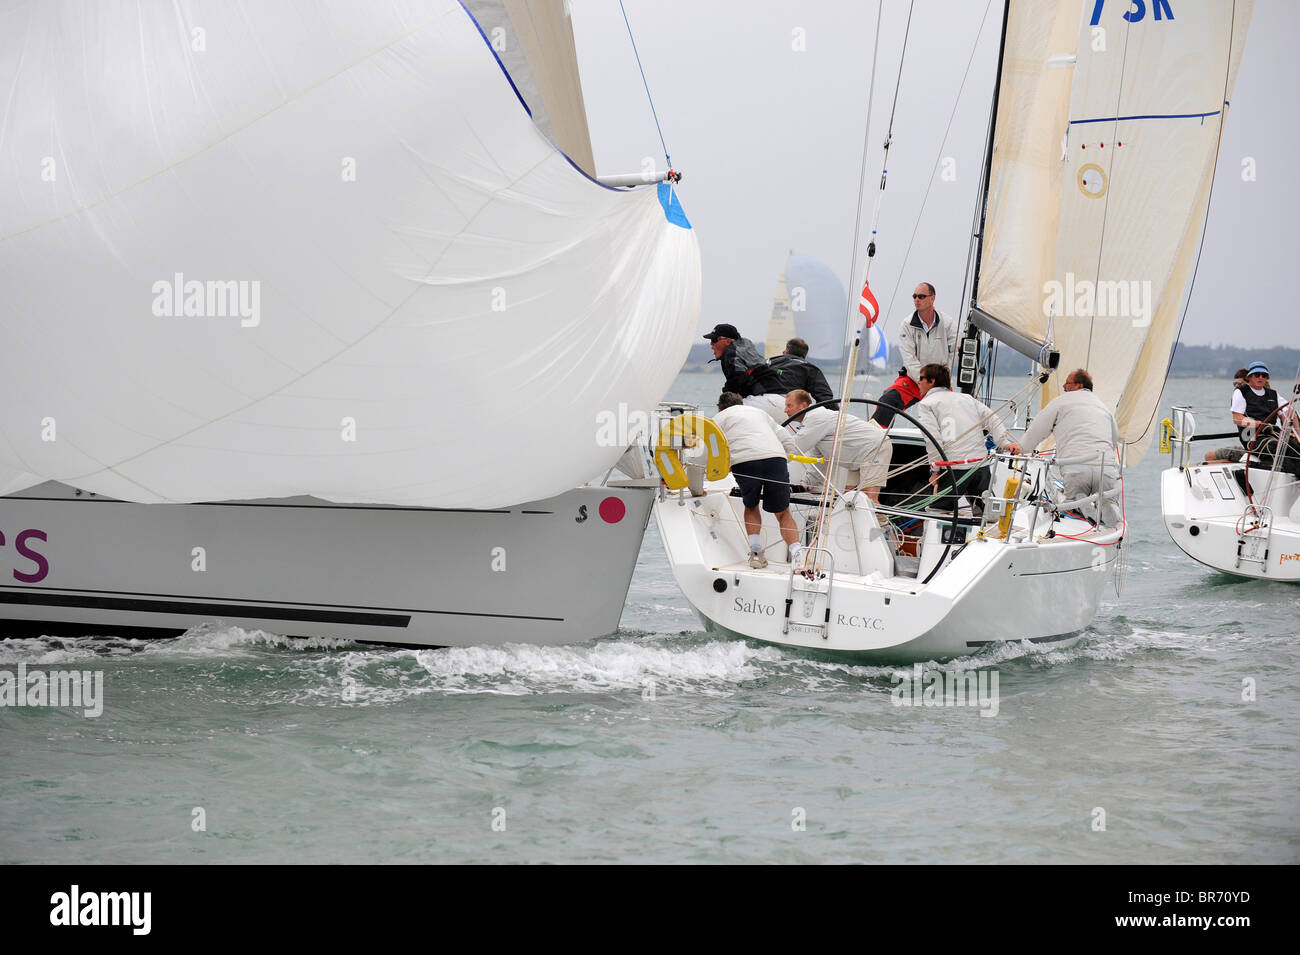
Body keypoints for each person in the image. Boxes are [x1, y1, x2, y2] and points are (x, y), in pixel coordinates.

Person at [712, 392, 806, 568]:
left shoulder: (719, 418)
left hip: (745, 462)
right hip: (775, 459)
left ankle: (756, 553)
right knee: (783, 513)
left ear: (720, 407)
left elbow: (710, 445)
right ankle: (798, 555)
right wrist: (787, 458)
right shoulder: (759, 413)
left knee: (751, 505)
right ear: (741, 403)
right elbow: (785, 437)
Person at [911, 363, 1020, 513]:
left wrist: (935, 471)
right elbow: (991, 418)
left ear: (932, 381)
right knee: (985, 512)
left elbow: (933, 440)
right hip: (979, 466)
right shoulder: (967, 398)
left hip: (955, 468)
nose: (918, 382)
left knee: (936, 512)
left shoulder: (926, 404)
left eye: (921, 378)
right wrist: (1004, 442)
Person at [1021, 368, 1121, 525]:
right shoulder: (1103, 407)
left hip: (1076, 469)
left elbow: (1038, 429)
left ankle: (1078, 504)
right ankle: (1107, 505)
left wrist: (1022, 448)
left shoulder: (1061, 402)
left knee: (1071, 502)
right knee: (1108, 497)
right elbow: (1114, 439)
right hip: (1105, 468)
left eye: (1067, 383)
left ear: (1078, 385)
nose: (1063, 387)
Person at [783, 389, 892, 504]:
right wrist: (805, 486)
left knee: (868, 500)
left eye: (789, 406)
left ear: (803, 406)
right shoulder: (814, 428)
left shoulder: (817, 418)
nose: (785, 410)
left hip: (874, 447)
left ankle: (883, 522)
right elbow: (819, 460)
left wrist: (770, 460)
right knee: (848, 501)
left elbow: (793, 448)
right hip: (858, 458)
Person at [703, 324, 786, 422]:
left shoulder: (730, 353)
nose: (711, 345)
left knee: (723, 421)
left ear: (728, 341)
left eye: (714, 341)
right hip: (784, 403)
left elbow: (736, 381)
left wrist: (722, 405)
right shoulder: (745, 345)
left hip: (764, 403)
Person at [1231, 361, 1300, 476]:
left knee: (1295, 448)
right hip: (1251, 436)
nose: (1260, 377)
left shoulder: (1273, 394)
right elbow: (1237, 418)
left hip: (1272, 433)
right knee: (1276, 449)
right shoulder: (1241, 392)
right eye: (1257, 375)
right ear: (1250, 377)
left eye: (1264, 375)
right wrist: (1256, 423)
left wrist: (1296, 434)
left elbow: (1288, 412)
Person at [897, 283, 959, 383]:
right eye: (914, 296)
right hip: (912, 381)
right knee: (888, 397)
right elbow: (909, 360)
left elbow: (955, 354)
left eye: (921, 296)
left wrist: (941, 378)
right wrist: (924, 381)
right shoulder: (906, 325)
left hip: (940, 382)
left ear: (932, 298)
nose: (917, 299)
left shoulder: (948, 324)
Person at [1203, 368, 1251, 463]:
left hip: (1251, 452)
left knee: (1209, 456)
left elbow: (1249, 432)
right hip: (1252, 449)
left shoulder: (1248, 403)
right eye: (1235, 384)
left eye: (1240, 384)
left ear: (1248, 384)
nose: (1237, 387)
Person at [768, 338, 834, 405]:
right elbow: (825, 397)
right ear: (805, 355)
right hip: (787, 404)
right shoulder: (810, 369)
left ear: (787, 350)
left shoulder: (768, 362)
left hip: (761, 400)